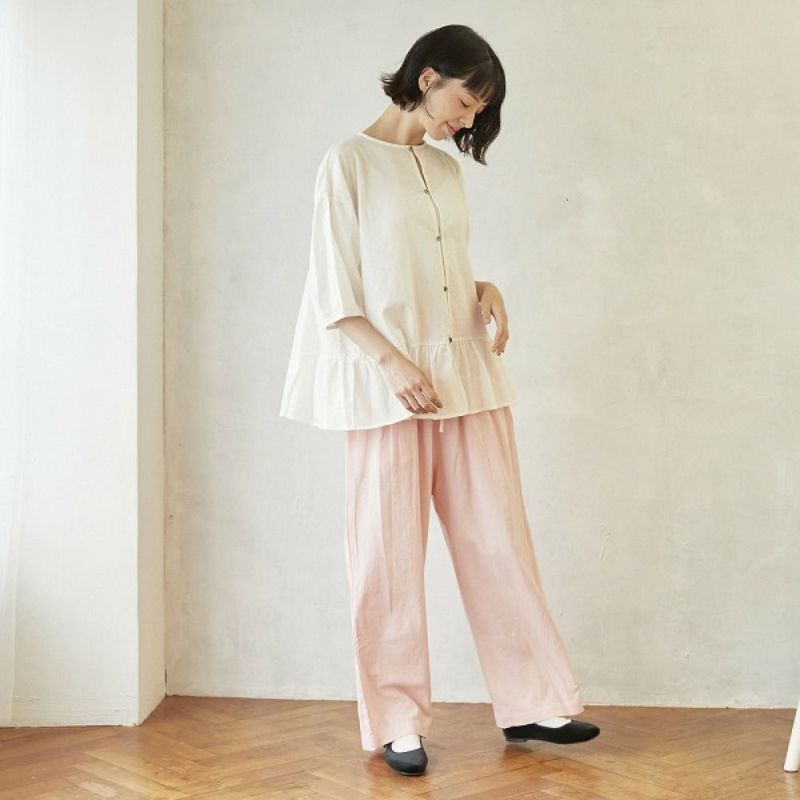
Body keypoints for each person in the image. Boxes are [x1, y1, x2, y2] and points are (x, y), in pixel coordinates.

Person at [279, 24, 600, 777]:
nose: (467, 119)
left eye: (479, 110)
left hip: (467, 373)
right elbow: (336, 289)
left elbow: (436, 269)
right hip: (392, 387)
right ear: (427, 77)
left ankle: (532, 703)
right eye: (465, 101)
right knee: (388, 556)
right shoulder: (348, 162)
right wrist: (391, 364)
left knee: (499, 541)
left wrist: (485, 288)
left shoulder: (448, 172)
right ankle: (397, 720)